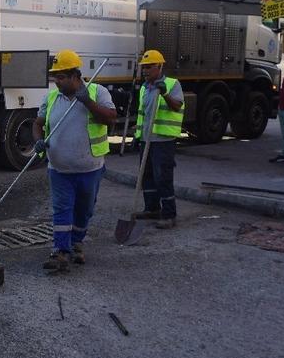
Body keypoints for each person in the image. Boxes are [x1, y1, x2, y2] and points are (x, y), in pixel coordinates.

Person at [32, 49, 117, 273]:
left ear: (75, 76)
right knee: (61, 210)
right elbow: (37, 124)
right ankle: (60, 251)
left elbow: (111, 119)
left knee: (84, 210)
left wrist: (87, 102)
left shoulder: (97, 92)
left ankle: (76, 242)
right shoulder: (51, 97)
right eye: (55, 77)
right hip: (59, 169)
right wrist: (38, 141)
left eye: (61, 77)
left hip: (90, 168)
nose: (56, 82)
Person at [133, 49, 184, 229]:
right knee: (146, 176)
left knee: (162, 177)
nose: (145, 71)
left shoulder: (171, 84)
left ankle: (170, 215)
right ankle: (152, 208)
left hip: (163, 140)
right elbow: (143, 115)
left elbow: (177, 106)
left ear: (160, 66)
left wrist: (165, 93)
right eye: (143, 68)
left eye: (149, 67)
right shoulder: (145, 88)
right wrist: (137, 135)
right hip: (146, 139)